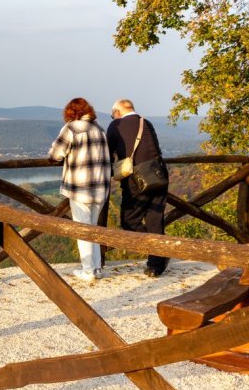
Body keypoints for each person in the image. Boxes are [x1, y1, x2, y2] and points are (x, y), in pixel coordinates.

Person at [48, 97, 110, 283]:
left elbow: (55, 154)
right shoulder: (99, 130)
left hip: (80, 187)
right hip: (100, 186)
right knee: (93, 228)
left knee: (82, 229)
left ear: (71, 112)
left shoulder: (72, 128)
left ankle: (88, 270)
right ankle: (97, 268)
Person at [105, 98, 169, 277]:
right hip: (159, 174)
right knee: (155, 219)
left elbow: (108, 152)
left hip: (136, 179)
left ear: (117, 113)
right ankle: (156, 264)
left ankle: (158, 254)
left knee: (129, 220)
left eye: (112, 115)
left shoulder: (116, 125)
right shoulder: (145, 122)